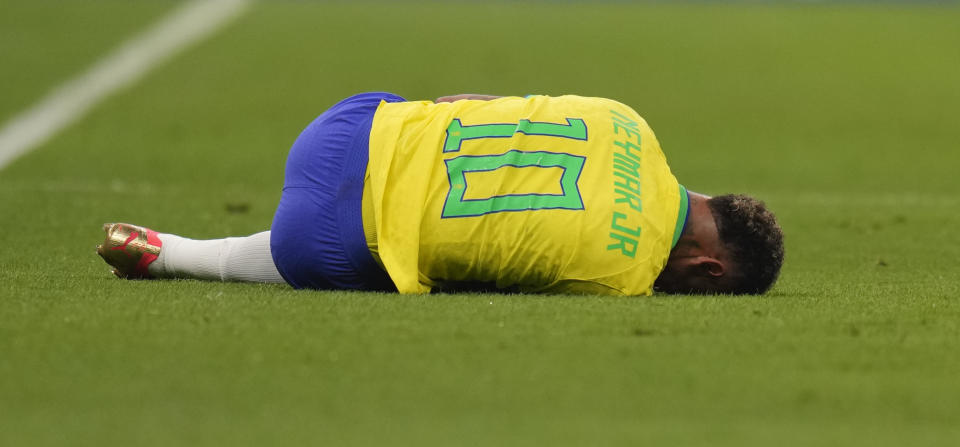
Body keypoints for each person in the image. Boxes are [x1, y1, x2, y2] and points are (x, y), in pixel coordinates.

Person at [97, 92, 784, 295]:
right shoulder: (621, 274)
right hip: (316, 242)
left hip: (342, 126)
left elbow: (467, 99)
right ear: (706, 266)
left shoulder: (630, 119)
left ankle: (168, 250)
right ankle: (180, 255)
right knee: (402, 257)